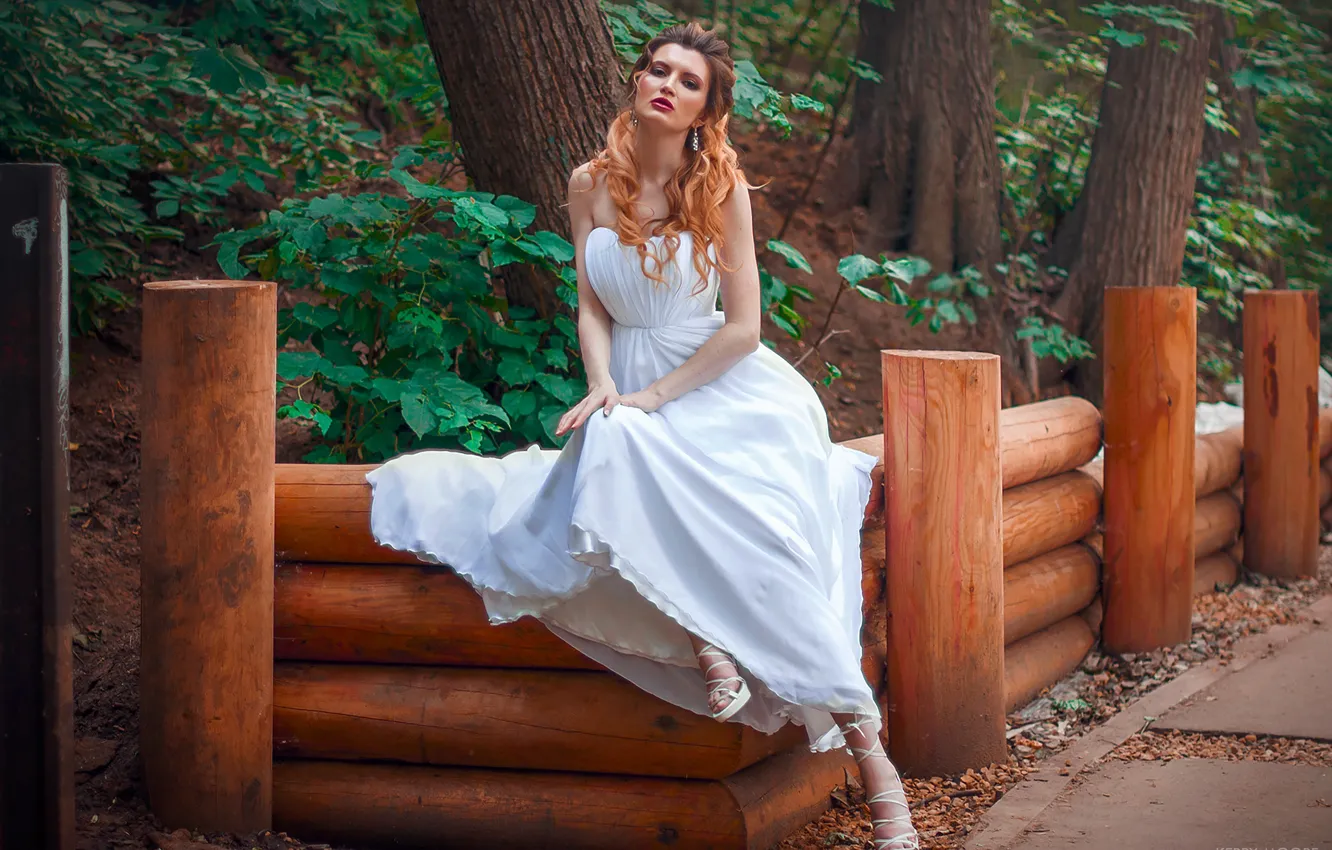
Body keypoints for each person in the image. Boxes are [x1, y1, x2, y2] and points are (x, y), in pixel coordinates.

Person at [365, 20, 919, 850]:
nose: (667, 85)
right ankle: (707, 642)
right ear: (637, 80)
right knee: (618, 439)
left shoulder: (722, 187)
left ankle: (876, 767)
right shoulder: (589, 183)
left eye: (688, 81)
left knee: (763, 539)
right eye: (658, 69)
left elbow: (744, 329)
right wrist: (603, 385)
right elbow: (590, 304)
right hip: (625, 380)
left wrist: (651, 397)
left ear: (705, 109)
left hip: (721, 388)